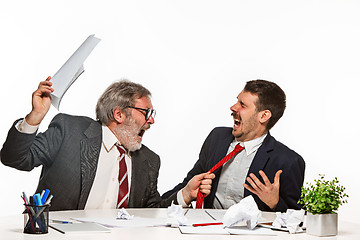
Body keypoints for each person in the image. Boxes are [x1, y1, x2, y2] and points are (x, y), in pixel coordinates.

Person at [0, 77, 212, 211]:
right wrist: (36, 115)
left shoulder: (149, 160)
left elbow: (151, 211)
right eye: (146, 112)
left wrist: (185, 194)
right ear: (118, 113)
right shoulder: (70, 131)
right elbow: (15, 158)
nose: (152, 120)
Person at [162, 79, 305, 212]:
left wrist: (275, 203)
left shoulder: (288, 161)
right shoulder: (217, 138)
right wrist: (157, 206)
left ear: (264, 116)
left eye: (242, 105)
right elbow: (192, 182)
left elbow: (297, 219)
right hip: (208, 230)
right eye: (237, 101)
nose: (233, 107)